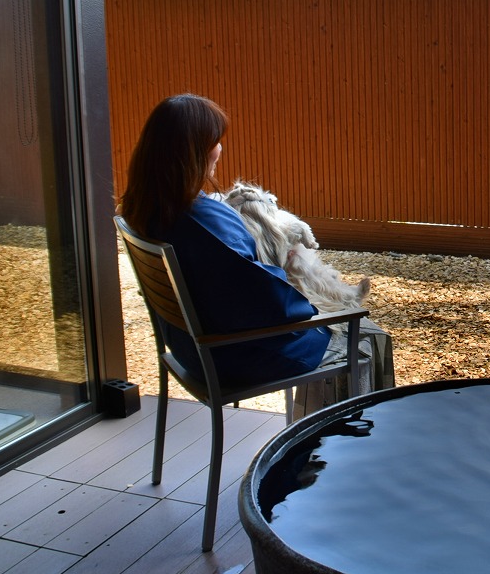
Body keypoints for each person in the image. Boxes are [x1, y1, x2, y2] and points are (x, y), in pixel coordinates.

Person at [118, 93, 348, 387]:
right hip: (232, 357)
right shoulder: (203, 222)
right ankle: (331, 432)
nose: (219, 149)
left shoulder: (147, 208)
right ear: (193, 152)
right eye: (214, 141)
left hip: (187, 347)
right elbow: (272, 305)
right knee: (365, 338)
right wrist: (307, 301)